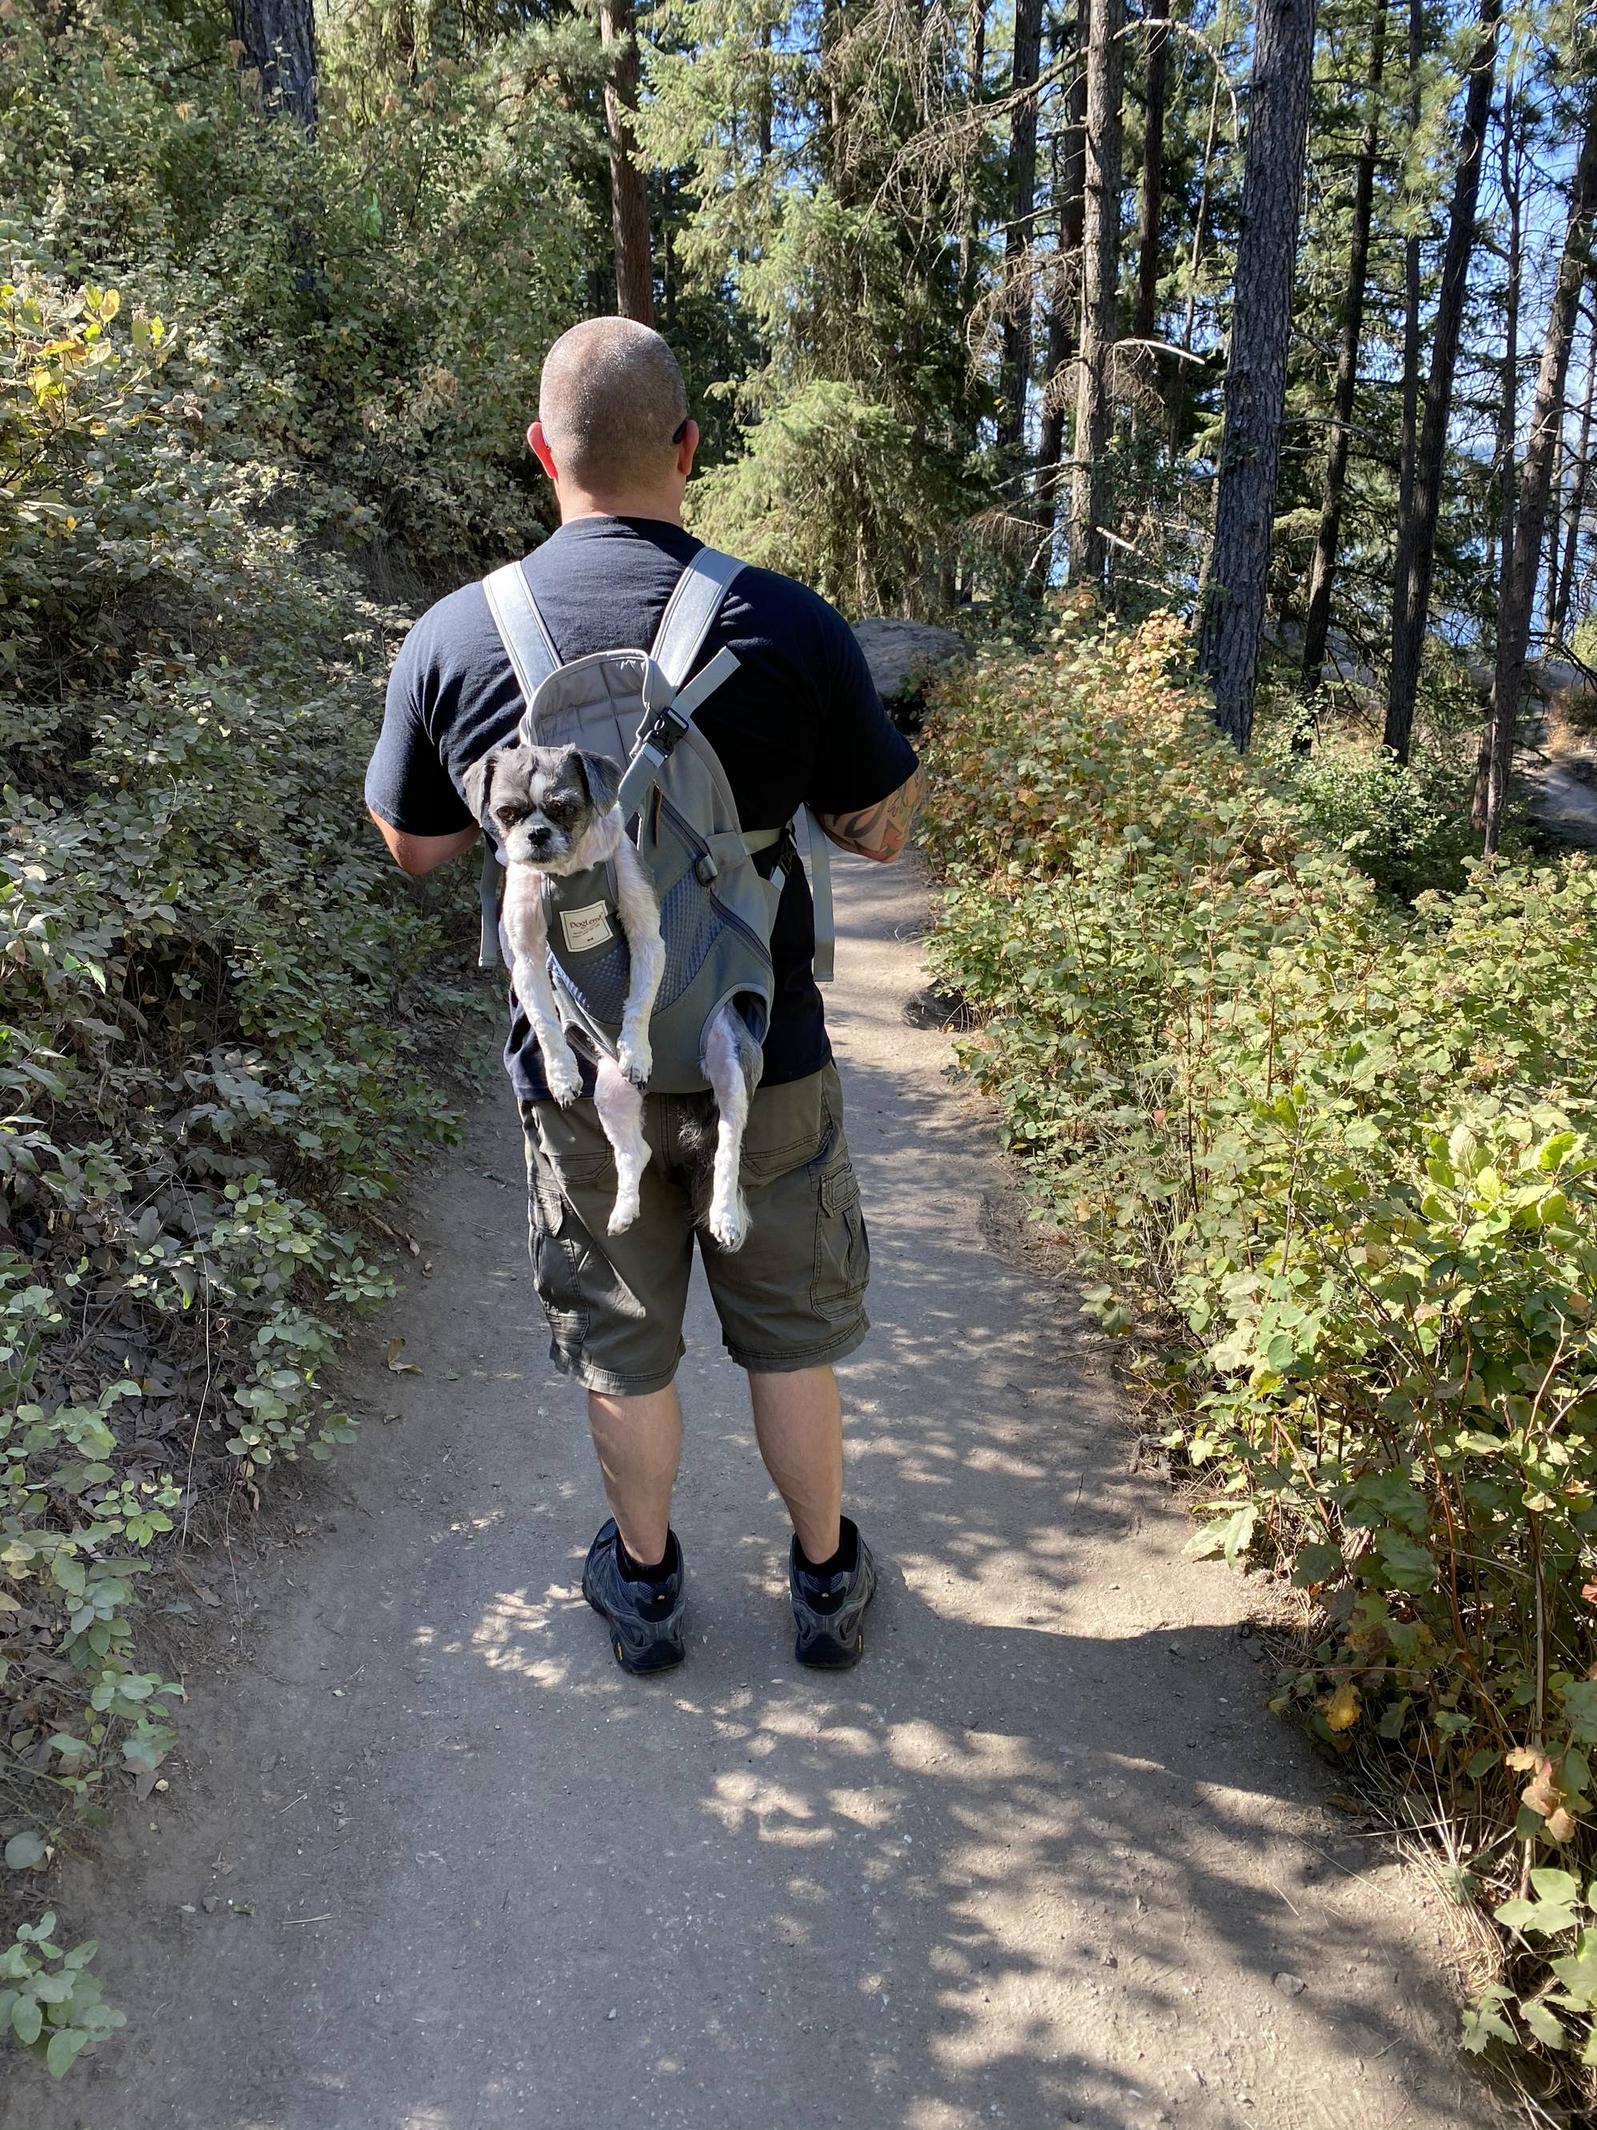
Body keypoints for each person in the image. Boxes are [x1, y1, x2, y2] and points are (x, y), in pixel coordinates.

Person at [364, 318, 922, 1675]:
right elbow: (883, 828)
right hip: (758, 1046)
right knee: (788, 1331)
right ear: (687, 449)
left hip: (578, 1071)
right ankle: (825, 1577)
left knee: (625, 1345)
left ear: (541, 452)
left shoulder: (455, 635)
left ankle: (651, 1586)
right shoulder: (784, 620)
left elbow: (417, 846)